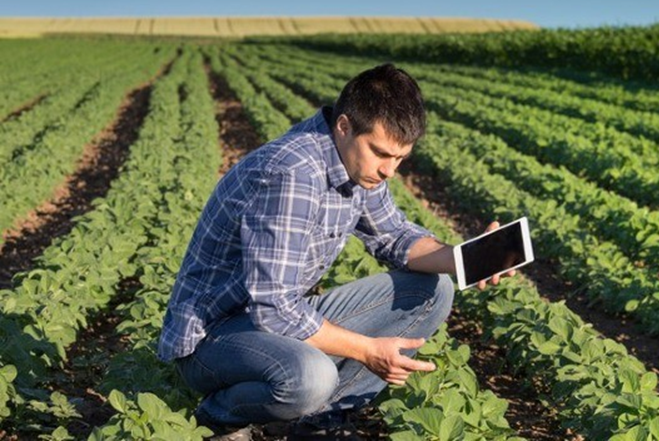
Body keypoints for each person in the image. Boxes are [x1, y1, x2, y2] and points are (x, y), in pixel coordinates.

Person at [157, 63, 510, 440]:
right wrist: (368, 351)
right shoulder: (293, 174)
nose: (390, 170)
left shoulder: (357, 164)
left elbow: (395, 236)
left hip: (272, 321)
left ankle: (318, 418)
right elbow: (274, 311)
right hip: (214, 339)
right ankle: (219, 416)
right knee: (311, 376)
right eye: (381, 153)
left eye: (400, 158)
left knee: (432, 290)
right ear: (344, 126)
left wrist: (468, 257)